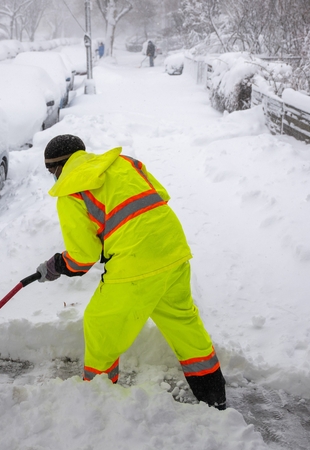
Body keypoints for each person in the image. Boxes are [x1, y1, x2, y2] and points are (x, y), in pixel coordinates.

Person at [36, 134, 227, 411]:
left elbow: (82, 258)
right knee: (183, 322)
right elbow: (157, 197)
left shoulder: (70, 191)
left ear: (57, 167)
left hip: (136, 262)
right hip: (172, 248)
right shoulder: (124, 163)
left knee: (99, 324)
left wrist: (57, 265)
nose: (53, 176)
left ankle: (97, 398)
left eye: (51, 171)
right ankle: (214, 396)